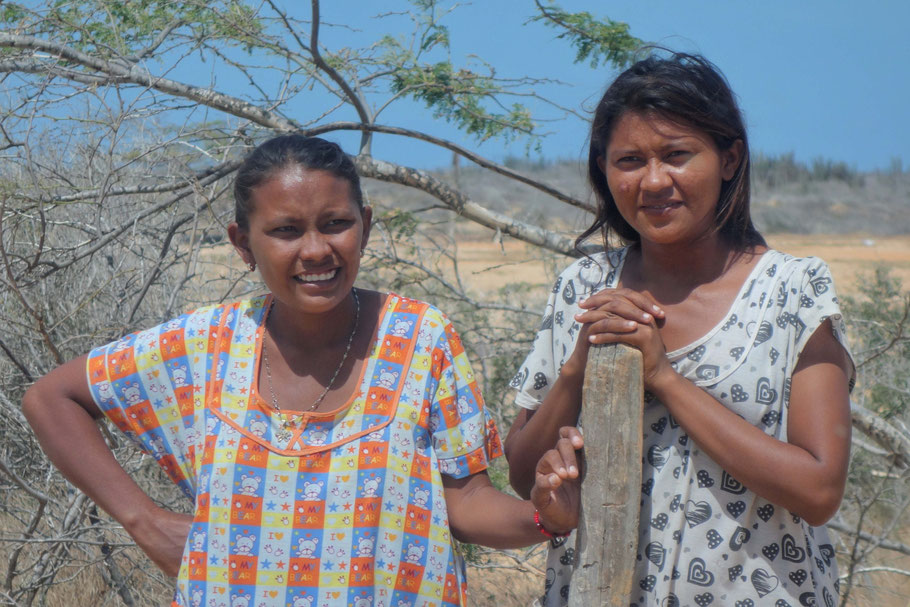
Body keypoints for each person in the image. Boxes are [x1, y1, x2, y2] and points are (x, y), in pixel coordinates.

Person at [22, 134, 583, 607]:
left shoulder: (420, 338)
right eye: (286, 231)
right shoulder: (204, 344)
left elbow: (463, 500)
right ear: (243, 244)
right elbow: (52, 398)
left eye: (335, 223)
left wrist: (544, 518)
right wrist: (142, 520)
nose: (316, 250)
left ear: (363, 225)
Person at [504, 52, 855, 606]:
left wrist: (664, 377)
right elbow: (524, 476)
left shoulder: (792, 292)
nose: (653, 181)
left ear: (730, 158)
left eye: (676, 155)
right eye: (628, 161)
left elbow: (818, 491)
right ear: (603, 169)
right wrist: (576, 368)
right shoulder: (584, 287)